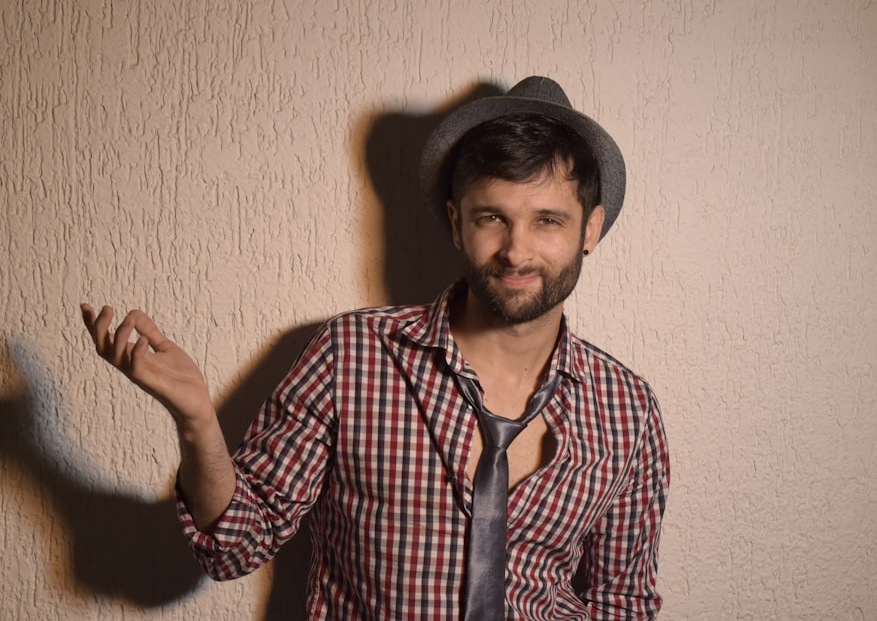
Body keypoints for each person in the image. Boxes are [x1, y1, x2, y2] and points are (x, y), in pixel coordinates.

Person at [81, 76, 670, 619]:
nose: (517, 251)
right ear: (456, 221)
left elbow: (621, 603)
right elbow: (233, 545)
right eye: (494, 216)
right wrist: (196, 422)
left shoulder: (628, 411)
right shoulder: (352, 355)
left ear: (590, 229)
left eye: (548, 220)